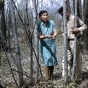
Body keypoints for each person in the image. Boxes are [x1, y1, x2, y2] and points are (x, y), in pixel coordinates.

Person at [58, 7, 87, 79]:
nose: (63, 16)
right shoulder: (63, 22)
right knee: (65, 60)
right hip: (66, 42)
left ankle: (78, 77)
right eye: (61, 15)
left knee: (77, 60)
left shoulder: (75, 18)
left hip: (75, 40)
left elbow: (85, 26)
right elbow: (62, 31)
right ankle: (65, 77)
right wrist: (63, 35)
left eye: (64, 14)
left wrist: (78, 29)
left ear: (68, 12)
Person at [37, 10, 58, 80]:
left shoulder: (51, 22)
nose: (46, 16)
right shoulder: (39, 24)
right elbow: (39, 36)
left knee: (52, 59)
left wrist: (54, 36)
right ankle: (47, 77)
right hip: (44, 45)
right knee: (47, 59)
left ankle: (51, 75)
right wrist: (46, 36)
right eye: (44, 15)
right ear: (40, 17)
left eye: (46, 15)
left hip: (52, 44)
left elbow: (55, 32)